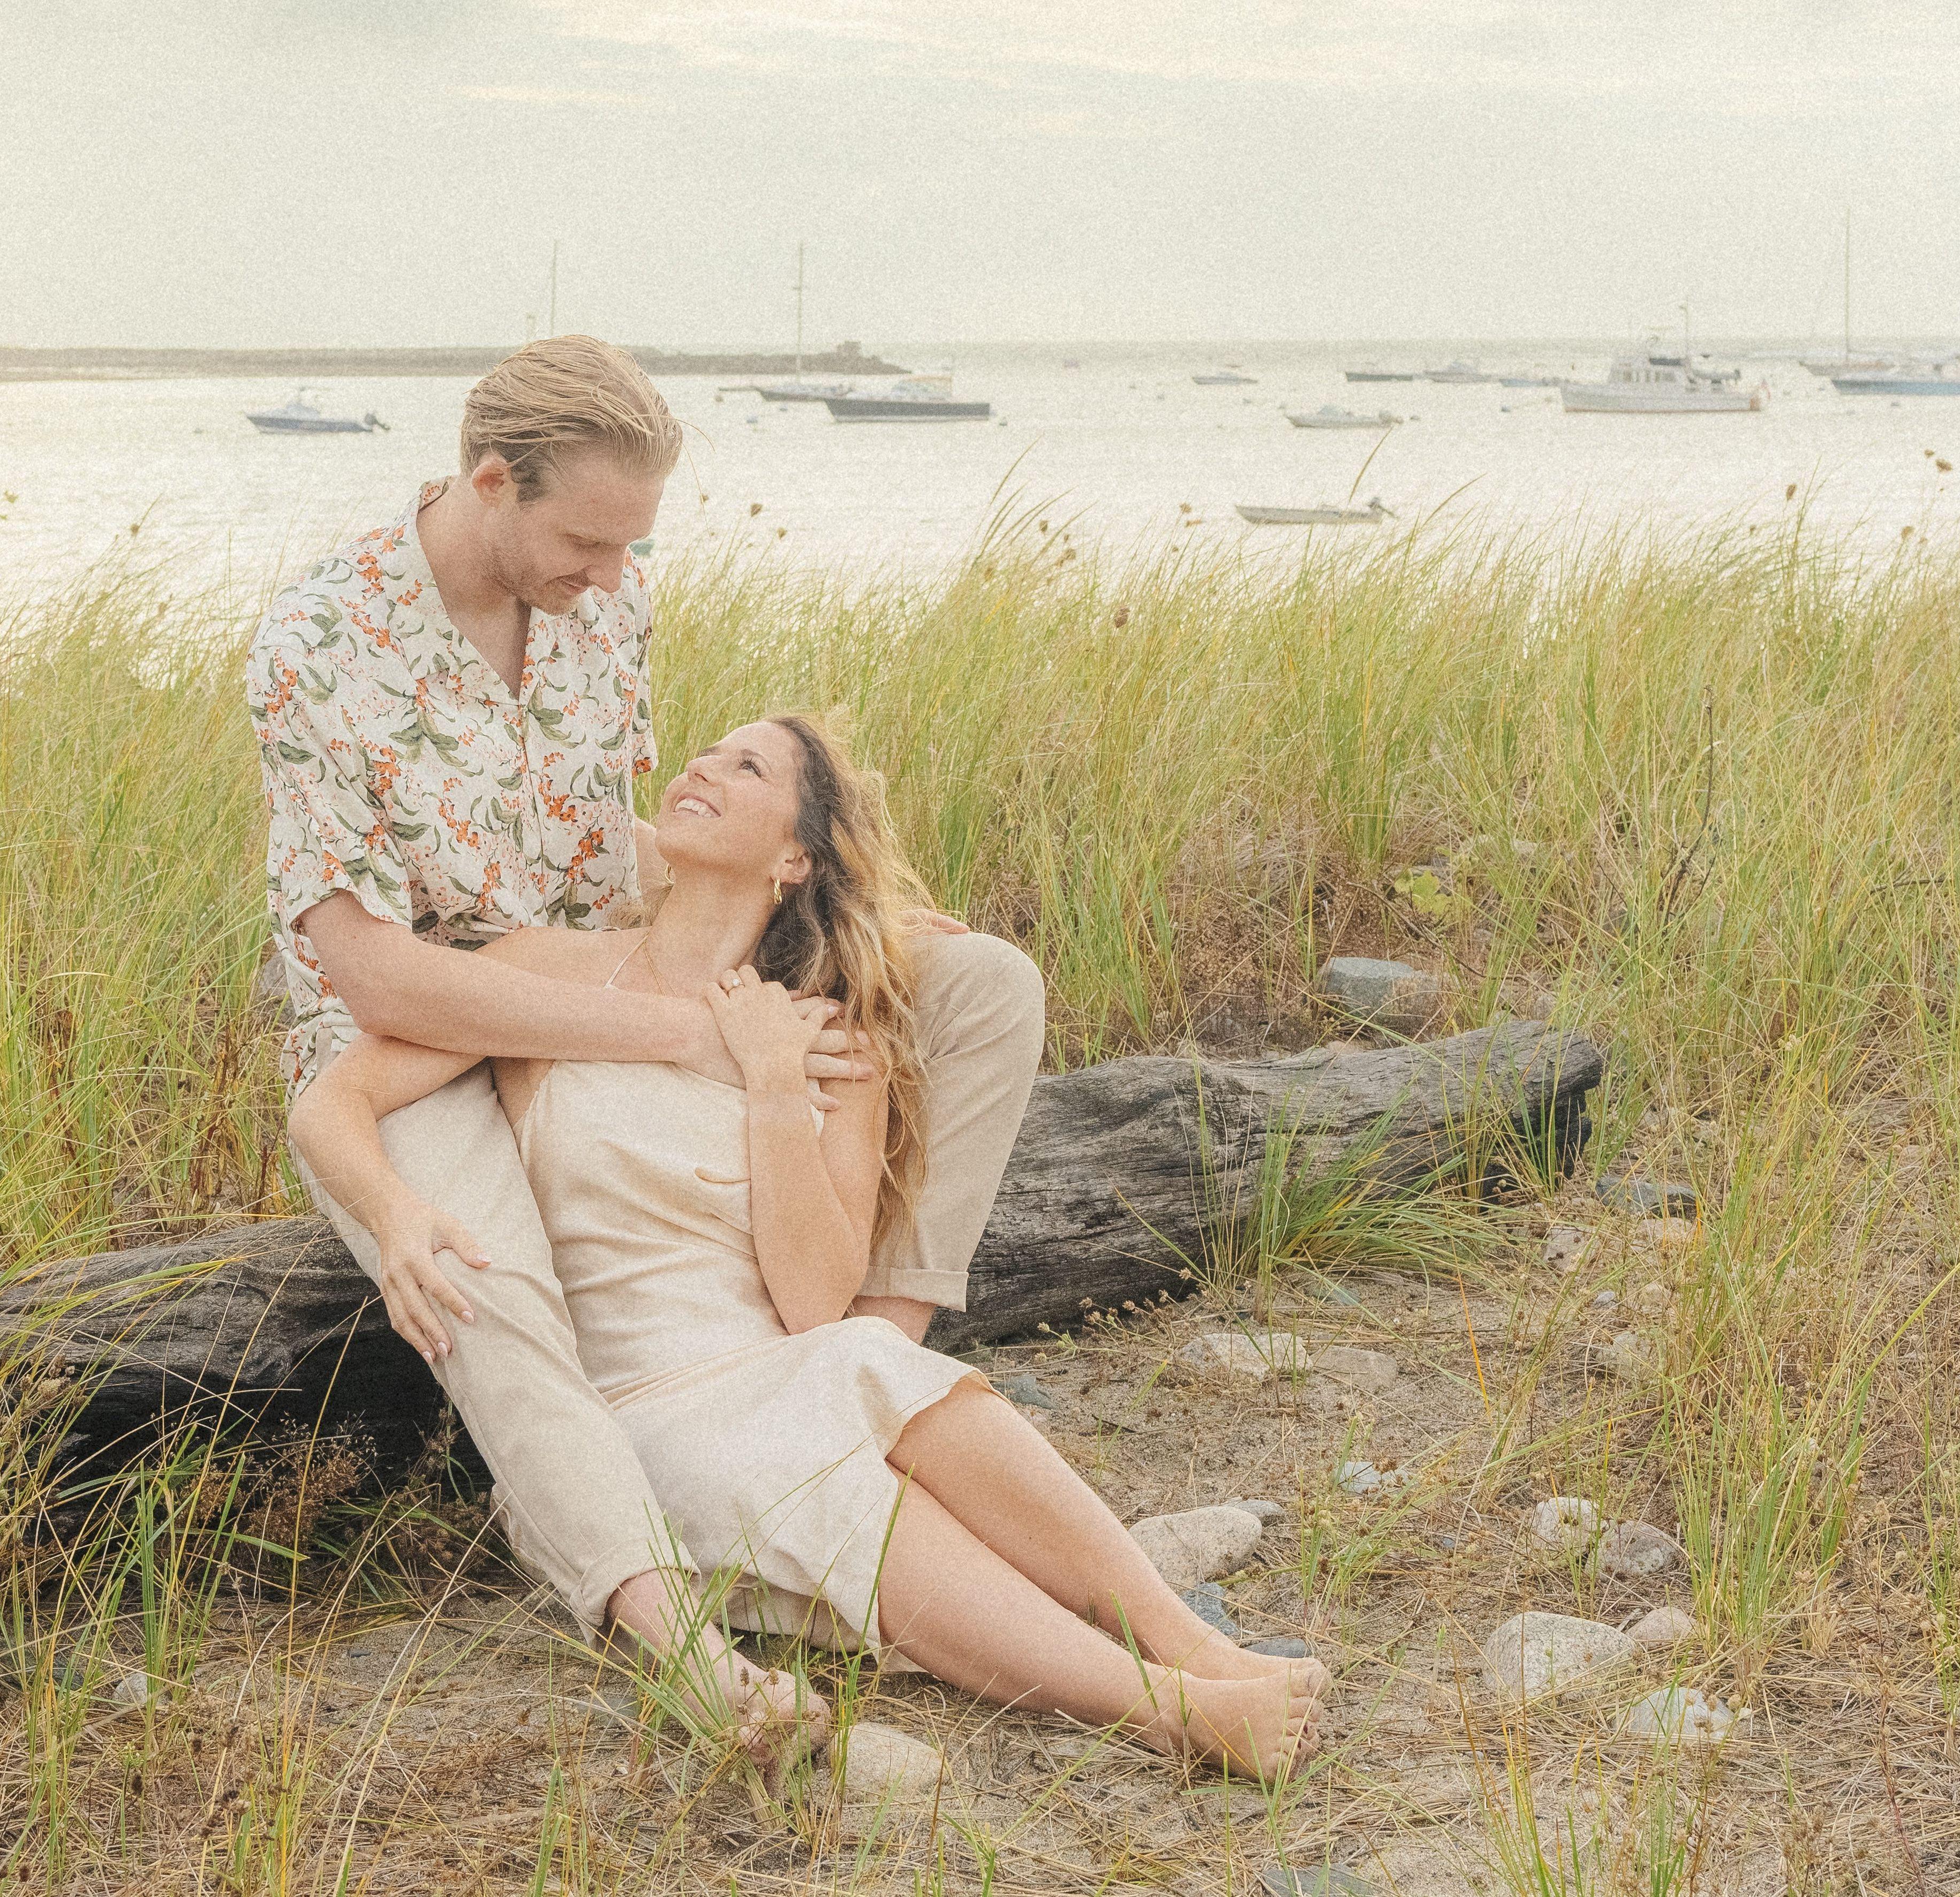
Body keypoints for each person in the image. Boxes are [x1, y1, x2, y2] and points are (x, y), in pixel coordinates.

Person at [245, 337, 1046, 1751]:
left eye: (635, 545)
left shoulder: (605, 591)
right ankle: (680, 1646)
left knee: (978, 984)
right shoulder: (321, 640)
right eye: (589, 543)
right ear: (492, 482)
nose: (615, 574)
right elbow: (373, 968)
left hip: (602, 943)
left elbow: (591, 840)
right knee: (484, 1284)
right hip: (422, 1013)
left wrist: (796, 910)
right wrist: (687, 1032)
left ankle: (864, 1373)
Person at [291, 716, 1325, 1779]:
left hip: (774, 1356)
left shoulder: (832, 1034)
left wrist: (776, 1081)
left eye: (747, 767)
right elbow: (338, 1099)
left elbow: (815, 1302)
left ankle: (1198, 1647)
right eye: (704, 754)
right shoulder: (547, 971)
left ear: (794, 857)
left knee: (874, 1356)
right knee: (813, 1460)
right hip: (624, 1408)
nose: (700, 768)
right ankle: (1171, 1713)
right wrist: (395, 1212)